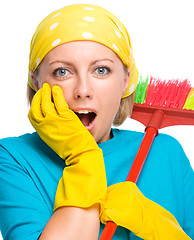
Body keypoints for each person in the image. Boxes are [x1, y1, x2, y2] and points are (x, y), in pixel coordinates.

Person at [0, 3, 193, 240]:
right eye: (62, 72)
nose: (83, 90)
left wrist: (160, 229)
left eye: (101, 70)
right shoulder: (12, 157)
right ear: (37, 82)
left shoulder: (165, 153)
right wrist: (84, 159)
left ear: (126, 80)